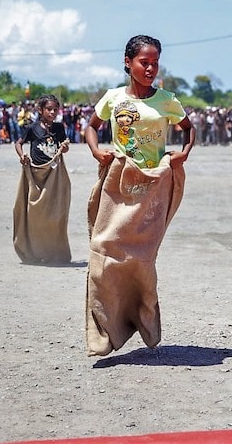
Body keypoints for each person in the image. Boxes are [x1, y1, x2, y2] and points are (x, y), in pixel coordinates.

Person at [84, 34, 195, 357]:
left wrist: (183, 153)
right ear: (128, 62)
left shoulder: (167, 101)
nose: (150, 68)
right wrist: (95, 150)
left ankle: (144, 319)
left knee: (142, 256)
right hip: (120, 181)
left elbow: (189, 128)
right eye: (144, 62)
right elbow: (92, 126)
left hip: (154, 185)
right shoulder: (113, 98)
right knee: (105, 247)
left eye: (155, 63)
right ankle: (105, 331)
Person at [12, 94, 72, 264]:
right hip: (36, 175)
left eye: (55, 109)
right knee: (35, 213)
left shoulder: (59, 128)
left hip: (53, 175)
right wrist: (22, 155)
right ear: (40, 110)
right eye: (49, 109)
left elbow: (64, 146)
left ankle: (53, 251)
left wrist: (65, 147)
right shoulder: (32, 128)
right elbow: (18, 143)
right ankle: (33, 250)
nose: (52, 112)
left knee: (54, 212)